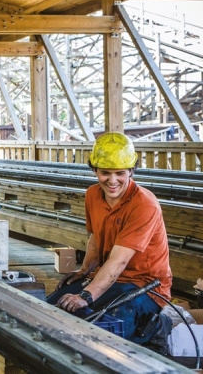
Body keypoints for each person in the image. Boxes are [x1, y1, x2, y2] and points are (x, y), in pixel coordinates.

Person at [47, 132, 172, 344]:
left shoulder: (144, 204)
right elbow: (95, 237)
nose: (112, 181)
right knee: (51, 307)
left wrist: (86, 295)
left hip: (145, 286)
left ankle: (158, 327)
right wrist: (85, 271)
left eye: (120, 173)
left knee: (102, 329)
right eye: (105, 173)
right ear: (94, 170)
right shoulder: (92, 195)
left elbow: (119, 261)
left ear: (131, 171)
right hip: (110, 280)